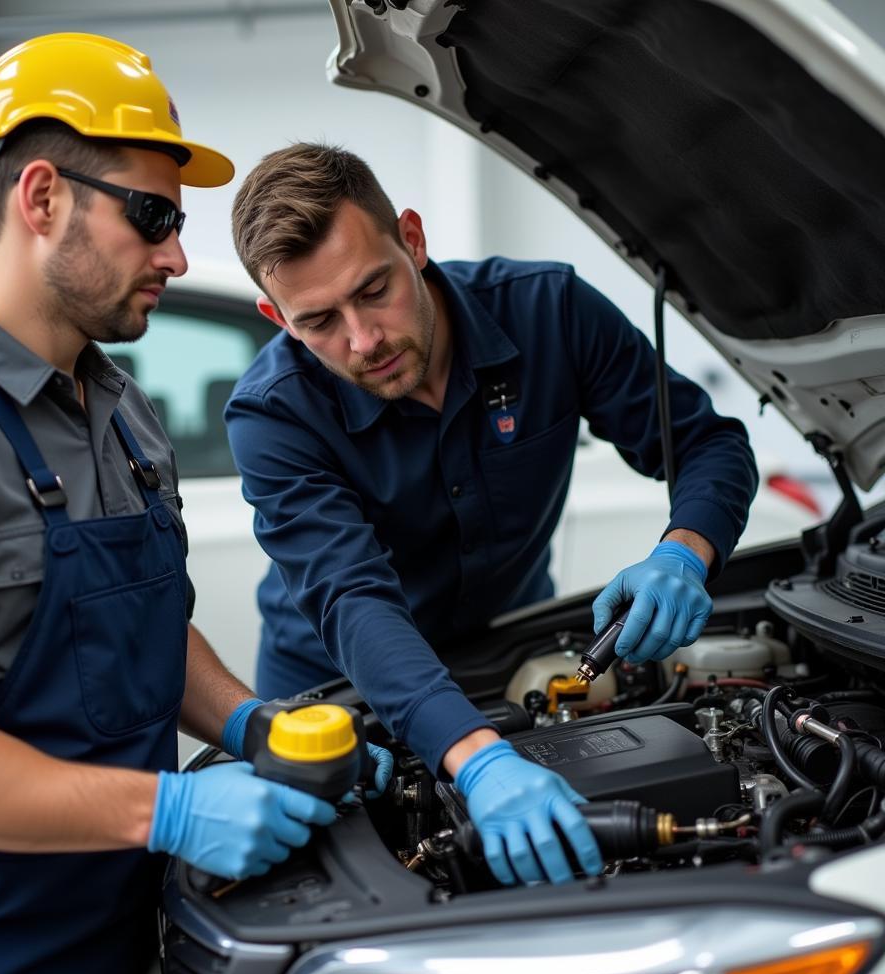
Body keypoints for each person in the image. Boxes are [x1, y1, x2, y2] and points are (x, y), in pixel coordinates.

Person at [0, 37, 389, 974]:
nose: (178, 256)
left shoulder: (121, 408)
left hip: (114, 939)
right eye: (153, 216)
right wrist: (172, 810)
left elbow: (143, 631)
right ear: (43, 198)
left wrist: (250, 722)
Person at [226, 142, 759, 889]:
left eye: (375, 288)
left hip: (513, 652)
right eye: (318, 321)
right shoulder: (271, 415)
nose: (363, 339)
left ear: (412, 237)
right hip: (338, 687)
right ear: (274, 317)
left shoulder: (551, 312)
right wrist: (479, 759)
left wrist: (684, 551)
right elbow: (354, 600)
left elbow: (708, 442)